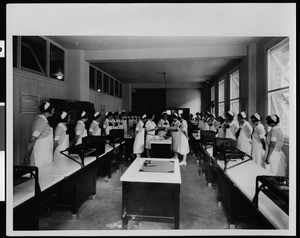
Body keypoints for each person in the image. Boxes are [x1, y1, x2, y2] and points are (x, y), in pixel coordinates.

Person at [23, 101, 55, 167]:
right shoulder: (40, 121)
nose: (54, 112)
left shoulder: (44, 121)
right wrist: (27, 154)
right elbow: (33, 139)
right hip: (39, 154)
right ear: (48, 110)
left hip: (45, 153)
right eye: (53, 110)